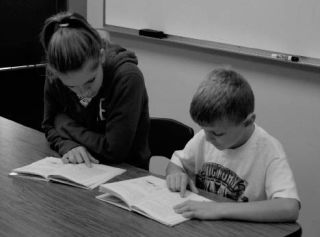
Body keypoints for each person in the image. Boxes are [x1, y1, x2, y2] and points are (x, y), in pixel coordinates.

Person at [166, 68, 300, 222]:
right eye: (204, 130)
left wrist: (219, 209)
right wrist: (176, 174)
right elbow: (176, 163)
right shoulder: (206, 137)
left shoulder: (269, 151)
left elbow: (289, 208)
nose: (208, 138)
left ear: (248, 121)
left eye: (217, 134)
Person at [40, 12, 150, 169]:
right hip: (79, 168)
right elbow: (49, 125)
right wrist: (68, 146)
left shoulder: (127, 77)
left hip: (126, 173)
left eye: (90, 81)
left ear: (101, 57)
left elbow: (114, 151)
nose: (83, 92)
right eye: (71, 87)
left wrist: (63, 124)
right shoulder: (56, 73)